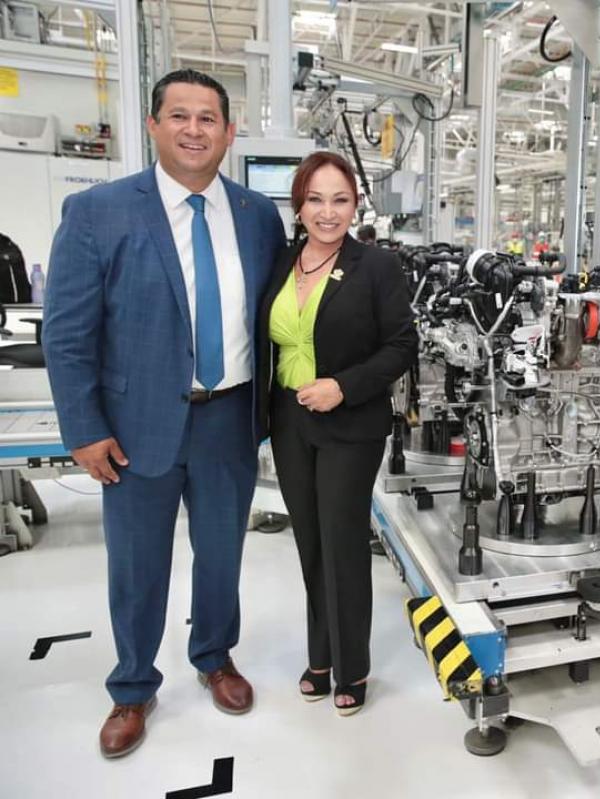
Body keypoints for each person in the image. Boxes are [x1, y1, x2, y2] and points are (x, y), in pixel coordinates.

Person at [42, 69, 287, 758]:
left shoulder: (257, 216)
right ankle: (132, 685)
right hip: (134, 424)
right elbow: (66, 333)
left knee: (222, 553)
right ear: (152, 125)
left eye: (208, 118)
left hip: (228, 418)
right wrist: (84, 428)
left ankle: (213, 655)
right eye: (178, 115)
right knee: (137, 563)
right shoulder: (99, 212)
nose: (193, 129)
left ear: (229, 133)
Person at [256, 151, 417, 716]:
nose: (328, 212)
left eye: (340, 200)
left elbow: (402, 344)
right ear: (298, 206)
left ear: (356, 206)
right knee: (309, 541)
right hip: (289, 420)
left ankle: (352, 667)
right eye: (316, 199)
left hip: (348, 421)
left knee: (342, 541)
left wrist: (343, 387)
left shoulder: (376, 266)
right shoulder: (280, 262)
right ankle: (319, 655)